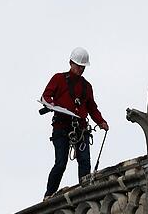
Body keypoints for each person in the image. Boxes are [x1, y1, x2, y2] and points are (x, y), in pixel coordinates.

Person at [41, 47, 109, 199]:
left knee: (84, 162)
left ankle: (84, 194)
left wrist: (101, 121)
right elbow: (46, 96)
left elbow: (92, 107)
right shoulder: (59, 79)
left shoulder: (87, 86)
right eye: (78, 66)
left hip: (80, 129)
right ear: (71, 63)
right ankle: (49, 194)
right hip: (61, 127)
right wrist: (53, 105)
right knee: (61, 163)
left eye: (82, 67)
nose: (80, 69)